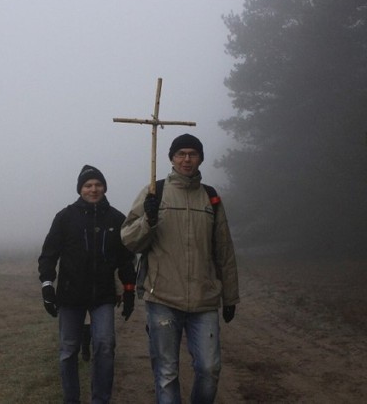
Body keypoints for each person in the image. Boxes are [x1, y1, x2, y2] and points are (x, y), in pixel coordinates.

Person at [121, 134, 240, 404]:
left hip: (204, 299)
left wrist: (230, 297)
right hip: (162, 296)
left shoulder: (211, 198)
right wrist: (148, 220)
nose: (187, 159)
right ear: (171, 158)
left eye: (193, 154)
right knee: (166, 373)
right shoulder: (155, 192)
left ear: (200, 158)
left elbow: (224, 250)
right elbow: (129, 240)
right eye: (181, 154)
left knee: (209, 370)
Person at [38, 165, 136, 404]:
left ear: (104, 187)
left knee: (104, 346)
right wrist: (47, 285)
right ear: (80, 189)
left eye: (98, 185)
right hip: (70, 295)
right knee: (68, 351)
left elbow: (125, 259)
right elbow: (49, 254)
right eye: (88, 185)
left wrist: (129, 289)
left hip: (103, 295)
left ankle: (100, 400)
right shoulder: (65, 217)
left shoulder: (116, 218)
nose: (93, 189)